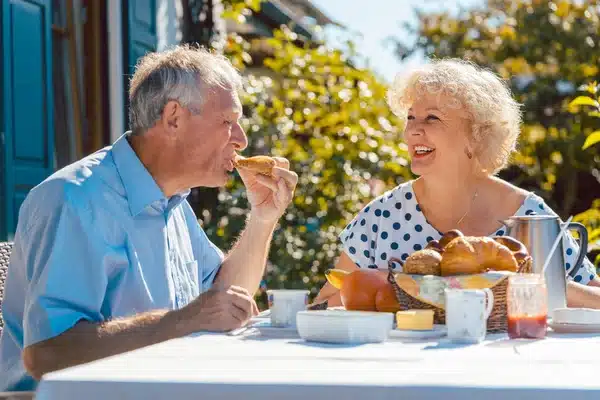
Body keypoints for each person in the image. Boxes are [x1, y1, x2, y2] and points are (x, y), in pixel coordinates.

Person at [0, 45, 298, 391]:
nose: (242, 140)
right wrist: (181, 321)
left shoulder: (172, 201)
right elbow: (46, 355)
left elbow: (225, 299)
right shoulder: (75, 199)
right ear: (173, 118)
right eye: (227, 122)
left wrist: (263, 219)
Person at [314, 58, 600, 308]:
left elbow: (595, 297)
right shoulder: (381, 218)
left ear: (476, 136)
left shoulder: (529, 215)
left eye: (432, 118)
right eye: (411, 117)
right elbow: (323, 306)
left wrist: (544, 286)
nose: (412, 130)